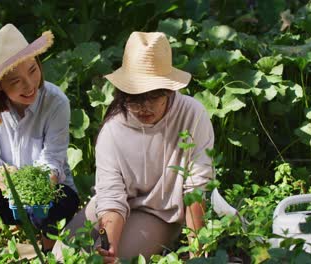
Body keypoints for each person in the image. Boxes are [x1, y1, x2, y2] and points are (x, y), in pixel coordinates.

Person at [52, 31, 215, 262]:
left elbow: (195, 188)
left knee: (110, 259)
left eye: (153, 96)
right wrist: (109, 244)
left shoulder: (193, 114)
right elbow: (110, 196)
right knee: (61, 255)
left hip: (159, 213)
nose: (143, 107)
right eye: (134, 97)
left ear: (169, 90)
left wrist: (199, 254)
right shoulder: (113, 128)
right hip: (112, 204)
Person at [0, 24, 80, 251]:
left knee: (40, 206)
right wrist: (1, 175)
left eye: (33, 70)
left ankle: (48, 249)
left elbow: (52, 162)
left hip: (53, 191)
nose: (30, 84)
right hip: (5, 192)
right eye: (15, 81)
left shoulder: (56, 102)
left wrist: (28, 187)